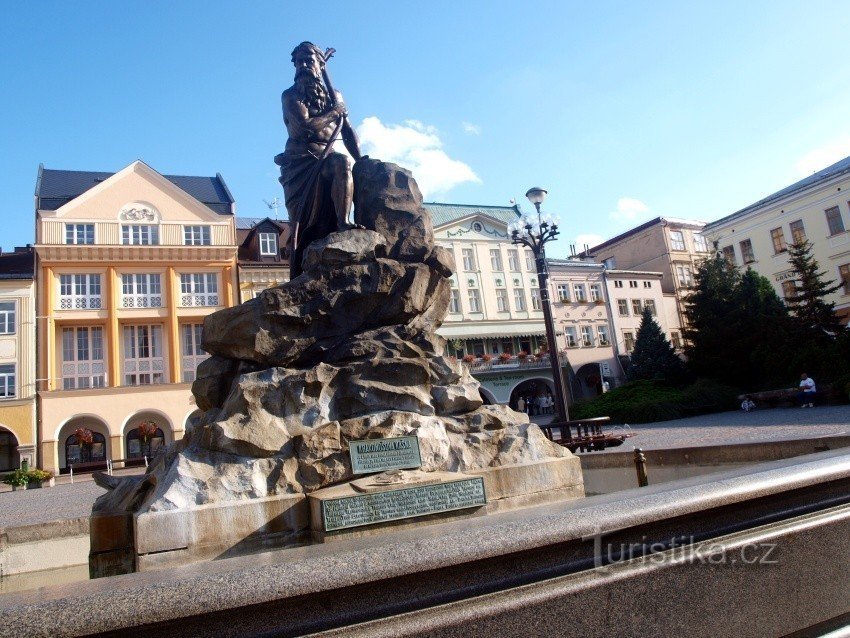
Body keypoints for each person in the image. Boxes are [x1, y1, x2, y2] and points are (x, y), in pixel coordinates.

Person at [276, 41, 362, 279]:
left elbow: (347, 131)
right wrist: (335, 112)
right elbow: (303, 128)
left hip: (327, 157)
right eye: (298, 62)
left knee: (343, 163)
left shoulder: (334, 95)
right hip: (300, 164)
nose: (303, 66)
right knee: (301, 225)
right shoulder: (291, 96)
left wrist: (362, 159)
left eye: (308, 61)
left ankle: (343, 223)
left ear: (320, 64)